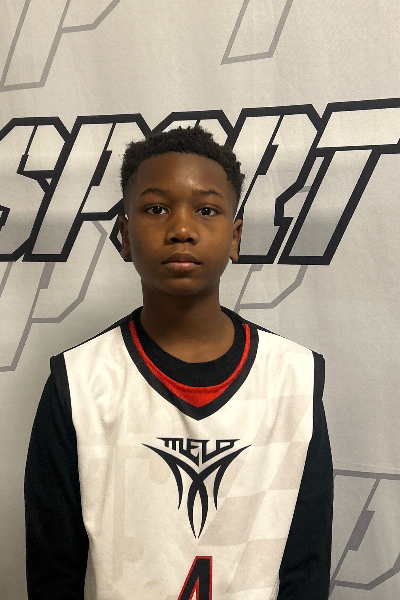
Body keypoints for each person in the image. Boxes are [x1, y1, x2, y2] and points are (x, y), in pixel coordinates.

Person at [25, 125, 333, 600]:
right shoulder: (80, 381)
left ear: (235, 237)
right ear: (125, 236)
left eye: (206, 210)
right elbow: (53, 570)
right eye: (156, 209)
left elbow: (305, 566)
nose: (182, 229)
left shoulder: (293, 376)